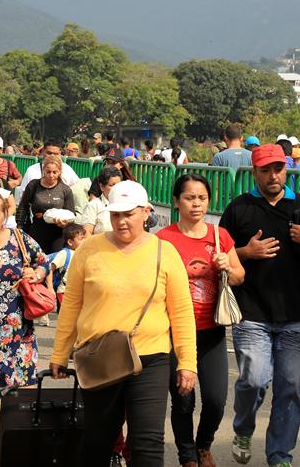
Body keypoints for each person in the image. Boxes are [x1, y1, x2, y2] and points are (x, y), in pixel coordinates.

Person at [50, 180, 197, 467]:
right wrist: (59, 353)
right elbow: (71, 306)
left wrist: (187, 363)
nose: (121, 221)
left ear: (146, 212)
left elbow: (181, 312)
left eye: (129, 213)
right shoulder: (89, 249)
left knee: (148, 442)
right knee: (98, 439)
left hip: (151, 358)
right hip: (99, 357)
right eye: (115, 214)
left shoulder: (164, 252)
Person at [219, 144, 300, 467]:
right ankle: (243, 427)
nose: (273, 175)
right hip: (251, 312)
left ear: (286, 170)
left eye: (278, 169)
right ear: (254, 172)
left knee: (290, 388)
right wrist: (246, 253)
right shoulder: (239, 208)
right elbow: (219, 253)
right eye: (265, 170)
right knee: (254, 379)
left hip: (294, 314)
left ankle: (280, 454)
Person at [157, 174, 245, 467]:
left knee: (216, 400)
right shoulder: (164, 239)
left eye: (202, 198)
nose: (196, 204)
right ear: (177, 201)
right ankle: (187, 456)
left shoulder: (219, 236)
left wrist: (226, 267)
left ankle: (203, 444)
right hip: (175, 334)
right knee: (183, 399)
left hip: (212, 332)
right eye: (189, 198)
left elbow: (240, 276)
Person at [0, 190, 47, 465]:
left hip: (18, 333)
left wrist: (36, 274)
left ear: (5, 216)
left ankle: (13, 457)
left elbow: (43, 262)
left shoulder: (18, 240)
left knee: (18, 408)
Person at [16, 155, 76, 253]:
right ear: (43, 170)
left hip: (58, 234)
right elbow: (23, 207)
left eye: (55, 172)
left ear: (60, 172)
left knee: (55, 262)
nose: (51, 175)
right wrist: (19, 228)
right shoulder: (33, 185)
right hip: (37, 231)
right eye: (48, 172)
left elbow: (71, 214)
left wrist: (65, 224)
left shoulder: (65, 190)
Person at [46, 223, 87, 308]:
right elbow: (49, 268)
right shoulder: (64, 254)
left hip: (79, 292)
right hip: (65, 291)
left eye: (84, 238)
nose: (84, 241)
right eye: (81, 239)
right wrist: (50, 287)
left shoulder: (84, 254)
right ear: (70, 242)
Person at [77, 166, 122, 235]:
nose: (116, 188)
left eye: (119, 185)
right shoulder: (93, 205)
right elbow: (87, 232)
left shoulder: (127, 204)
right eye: (111, 185)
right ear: (101, 187)